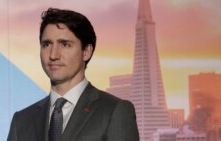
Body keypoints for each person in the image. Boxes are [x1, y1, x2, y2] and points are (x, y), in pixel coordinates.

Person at [7, 8, 139, 141]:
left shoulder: (114, 111)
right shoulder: (22, 121)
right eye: (47, 44)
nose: (53, 55)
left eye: (65, 44)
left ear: (86, 51)